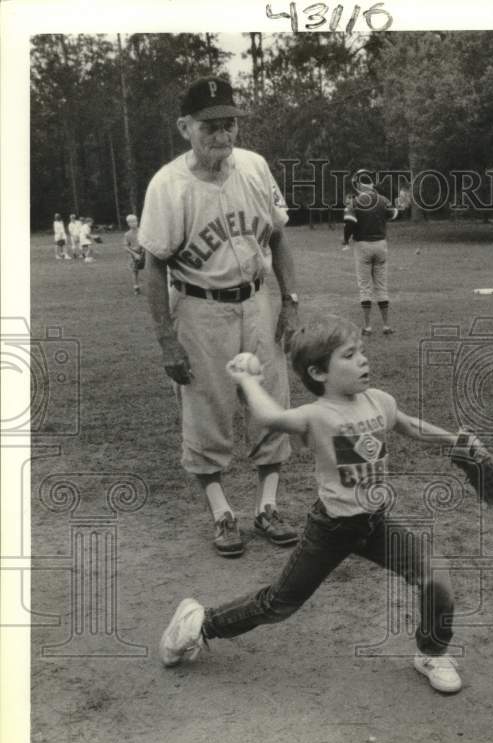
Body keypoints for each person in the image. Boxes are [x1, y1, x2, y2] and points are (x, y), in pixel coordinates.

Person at [159, 315, 465, 693]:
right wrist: (247, 381)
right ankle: (199, 623)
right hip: (332, 529)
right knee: (278, 604)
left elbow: (411, 426)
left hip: (375, 525)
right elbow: (269, 416)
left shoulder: (379, 401)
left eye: (362, 352)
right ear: (319, 372)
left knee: (435, 575)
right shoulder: (315, 416)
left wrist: (456, 441)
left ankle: (432, 652)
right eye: (350, 356)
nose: (363, 361)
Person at [138, 75, 302, 558]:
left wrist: (290, 302)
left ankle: (268, 506)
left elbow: (277, 237)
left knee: (272, 403)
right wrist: (166, 340)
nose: (222, 135)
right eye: (209, 126)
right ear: (184, 127)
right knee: (207, 409)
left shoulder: (254, 167)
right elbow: (154, 266)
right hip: (199, 307)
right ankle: (222, 512)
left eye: (228, 124)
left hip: (256, 301)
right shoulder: (168, 185)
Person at [341, 169, 405, 336]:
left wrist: (345, 240)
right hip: (381, 244)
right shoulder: (383, 200)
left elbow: (349, 224)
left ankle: (368, 327)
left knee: (364, 286)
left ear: (359, 185)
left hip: (362, 245)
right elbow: (393, 214)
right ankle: (386, 325)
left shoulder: (354, 202)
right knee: (381, 285)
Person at [123, 214, 144, 294]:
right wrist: (134, 254)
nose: (133, 223)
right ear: (128, 223)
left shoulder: (142, 231)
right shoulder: (127, 234)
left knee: (150, 268)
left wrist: (144, 250)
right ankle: (136, 287)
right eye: (131, 222)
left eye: (134, 221)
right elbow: (126, 247)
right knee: (134, 271)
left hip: (144, 253)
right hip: (134, 255)